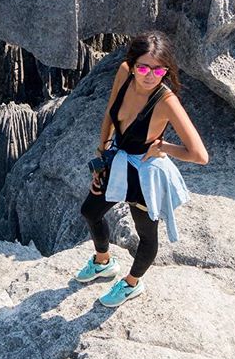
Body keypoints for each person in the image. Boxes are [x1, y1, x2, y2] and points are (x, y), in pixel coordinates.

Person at [75, 31, 209, 307]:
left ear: (166, 70)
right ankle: (103, 261)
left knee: (146, 233)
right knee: (90, 211)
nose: (150, 75)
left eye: (159, 69)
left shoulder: (166, 100)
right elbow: (110, 114)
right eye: (144, 67)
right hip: (119, 159)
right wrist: (101, 157)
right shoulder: (124, 73)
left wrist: (164, 147)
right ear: (133, 64)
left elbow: (199, 155)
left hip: (145, 172)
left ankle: (132, 282)